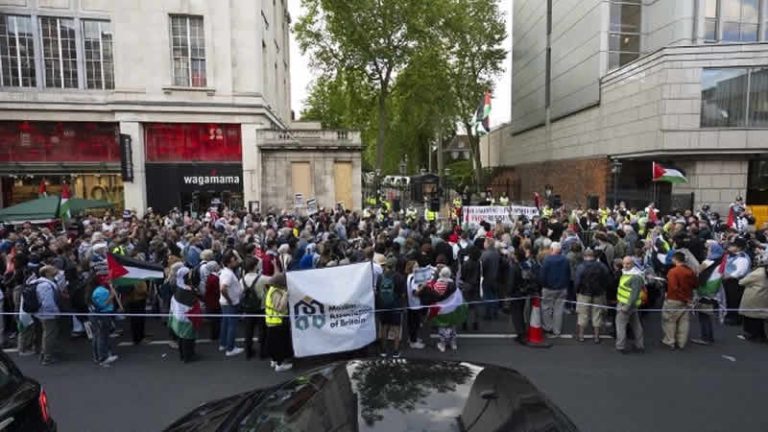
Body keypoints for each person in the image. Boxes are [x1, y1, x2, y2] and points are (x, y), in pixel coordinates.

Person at [417, 266, 463, 352]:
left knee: (442, 326)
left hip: (441, 309)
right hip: (452, 309)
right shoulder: (453, 285)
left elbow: (434, 296)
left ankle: (443, 344)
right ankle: (453, 343)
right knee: (452, 325)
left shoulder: (437, 285)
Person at [662, 252, 697, 350]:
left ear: (674, 259)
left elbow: (673, 287)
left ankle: (670, 341)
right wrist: (687, 298)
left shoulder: (673, 272)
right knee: (683, 322)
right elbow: (695, 284)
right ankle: (681, 342)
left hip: (674, 299)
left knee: (669, 320)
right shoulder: (690, 271)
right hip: (687, 299)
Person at [574, 248, 609, 343]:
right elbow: (607, 278)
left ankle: (581, 335)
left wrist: (576, 291)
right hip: (598, 293)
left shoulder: (581, 267)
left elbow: (577, 281)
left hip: (584, 293)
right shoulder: (601, 266)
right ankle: (596, 336)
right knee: (597, 314)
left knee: (582, 314)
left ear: (584, 256)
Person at [169, 267, 202, 363]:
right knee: (188, 338)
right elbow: (192, 302)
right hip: (186, 319)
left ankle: (182, 355)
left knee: (181, 337)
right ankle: (188, 356)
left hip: (178, 316)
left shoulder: (178, 286)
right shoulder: (186, 290)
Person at [539, 242, 570, 336]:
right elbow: (568, 273)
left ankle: (548, 327)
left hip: (549, 288)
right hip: (562, 288)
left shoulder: (547, 260)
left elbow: (543, 275)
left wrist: (543, 285)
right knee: (559, 309)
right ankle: (557, 330)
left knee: (546, 308)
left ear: (551, 249)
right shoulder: (565, 260)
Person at [376, 257, 406, 357]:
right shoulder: (400, 277)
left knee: (384, 328)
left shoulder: (380, 277)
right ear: (395, 266)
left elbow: (377, 291)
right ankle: (396, 351)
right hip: (395, 306)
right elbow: (403, 294)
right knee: (396, 328)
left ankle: (383, 350)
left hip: (383, 306)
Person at [87, 275, 118, 367]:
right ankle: (103, 357)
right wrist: (111, 296)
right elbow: (103, 305)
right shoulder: (101, 291)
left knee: (97, 336)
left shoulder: (95, 290)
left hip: (97, 316)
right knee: (102, 336)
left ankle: (97, 356)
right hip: (103, 315)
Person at [615, 256, 644, 354]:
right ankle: (639, 345)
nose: (625, 266)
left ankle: (621, 346)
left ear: (632, 264)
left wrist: (626, 307)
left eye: (628, 264)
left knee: (621, 325)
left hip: (626, 304)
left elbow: (634, 294)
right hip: (630, 304)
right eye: (624, 263)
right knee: (636, 324)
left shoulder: (635, 277)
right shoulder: (630, 273)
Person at [265, 273, 293, 372]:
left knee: (273, 342)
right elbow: (280, 308)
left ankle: (274, 360)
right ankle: (280, 364)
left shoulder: (271, 289)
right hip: (278, 321)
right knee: (279, 344)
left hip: (271, 320)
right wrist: (285, 296)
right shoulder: (276, 292)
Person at [34, 265, 61, 365]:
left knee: (47, 333)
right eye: (52, 270)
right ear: (47, 273)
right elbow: (48, 302)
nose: (55, 271)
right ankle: (47, 357)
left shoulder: (43, 283)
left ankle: (44, 353)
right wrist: (55, 312)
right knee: (49, 334)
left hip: (43, 313)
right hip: (47, 314)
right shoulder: (45, 285)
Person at [218, 251, 244, 356]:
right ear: (229, 262)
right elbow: (223, 288)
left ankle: (223, 344)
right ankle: (230, 348)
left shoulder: (225, 271)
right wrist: (230, 300)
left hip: (226, 302)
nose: (236, 262)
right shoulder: (228, 274)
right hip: (230, 303)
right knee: (232, 325)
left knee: (225, 323)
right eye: (234, 260)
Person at [738, 253, 768, 342]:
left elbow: (742, 282)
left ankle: (752, 335)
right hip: (764, 296)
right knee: (760, 318)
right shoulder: (764, 272)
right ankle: (762, 335)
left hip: (753, 297)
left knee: (751, 318)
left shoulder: (758, 272)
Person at [240, 256, 264, 359]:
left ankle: (248, 351)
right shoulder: (262, 278)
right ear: (255, 266)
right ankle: (263, 352)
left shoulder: (242, 280)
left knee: (248, 331)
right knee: (262, 331)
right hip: (261, 307)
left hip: (248, 308)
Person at [723, 237, 750, 326]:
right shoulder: (731, 255)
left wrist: (729, 276)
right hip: (728, 281)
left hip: (735, 282)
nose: (729, 247)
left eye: (732, 245)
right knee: (729, 299)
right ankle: (729, 315)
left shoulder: (742, 258)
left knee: (734, 301)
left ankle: (735, 319)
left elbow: (741, 272)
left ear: (738, 247)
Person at [404, 260, 425, 349]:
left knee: (412, 323)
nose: (418, 268)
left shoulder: (409, 276)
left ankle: (412, 338)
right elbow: (415, 292)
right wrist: (423, 286)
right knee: (415, 323)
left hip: (411, 304)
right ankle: (413, 341)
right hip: (415, 304)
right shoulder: (414, 278)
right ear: (411, 268)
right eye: (416, 267)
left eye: (418, 266)